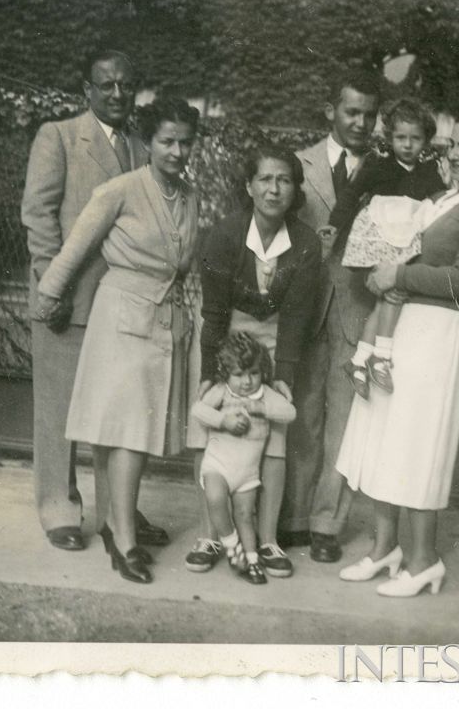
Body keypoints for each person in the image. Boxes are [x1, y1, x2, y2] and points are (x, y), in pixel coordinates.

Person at [335, 110, 459, 597]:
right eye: (451, 146)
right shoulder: (442, 197)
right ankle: (385, 548)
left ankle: (423, 560)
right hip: (404, 321)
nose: (452, 154)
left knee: (417, 443)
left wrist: (399, 276)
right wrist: (385, 272)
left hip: (437, 330)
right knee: (384, 433)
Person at [34, 97, 201, 584]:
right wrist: (48, 298)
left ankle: (115, 524)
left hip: (165, 321)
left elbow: (183, 262)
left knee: (130, 434)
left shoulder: (189, 196)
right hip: (122, 317)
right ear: (147, 142)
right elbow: (75, 248)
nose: (176, 151)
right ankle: (123, 541)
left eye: (185, 142)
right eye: (167, 141)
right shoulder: (119, 190)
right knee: (126, 432)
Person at [22, 50, 168, 552]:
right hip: (68, 298)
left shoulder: (138, 145)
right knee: (58, 411)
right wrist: (50, 287)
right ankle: (59, 509)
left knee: (114, 411)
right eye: (105, 85)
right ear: (87, 89)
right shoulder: (59, 136)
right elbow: (39, 215)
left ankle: (116, 514)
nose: (117, 94)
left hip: (121, 304)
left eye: (126, 86)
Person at [186, 145, 322, 578]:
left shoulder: (304, 242)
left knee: (274, 438)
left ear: (295, 188)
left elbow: (298, 315)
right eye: (265, 179)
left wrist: (282, 375)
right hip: (223, 337)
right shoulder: (224, 235)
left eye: (284, 179)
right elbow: (214, 312)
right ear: (249, 186)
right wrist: (210, 373)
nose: (274, 188)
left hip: (276, 334)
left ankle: (267, 542)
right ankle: (210, 535)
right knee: (211, 432)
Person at [281, 67, 381, 564]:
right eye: (351, 111)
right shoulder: (296, 165)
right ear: (331, 112)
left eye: (369, 114)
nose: (361, 123)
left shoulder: (388, 172)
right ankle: (294, 517)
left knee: (345, 422)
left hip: (357, 311)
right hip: (303, 310)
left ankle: (326, 524)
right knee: (302, 418)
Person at [330, 97, 446, 397]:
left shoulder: (429, 172)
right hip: (381, 234)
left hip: (406, 238)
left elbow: (440, 203)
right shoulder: (378, 166)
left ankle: (359, 360)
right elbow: (352, 192)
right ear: (390, 137)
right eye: (400, 138)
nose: (407, 145)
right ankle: (381, 355)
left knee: (388, 299)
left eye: (415, 139)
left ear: (426, 140)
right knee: (391, 295)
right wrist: (334, 223)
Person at [190, 332, 298, 585]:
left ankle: (251, 562)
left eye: (253, 373)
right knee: (215, 497)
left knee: (245, 515)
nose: (247, 381)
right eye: (238, 375)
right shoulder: (222, 392)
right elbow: (198, 409)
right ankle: (231, 544)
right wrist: (223, 421)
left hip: (247, 473)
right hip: (218, 464)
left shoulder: (264, 395)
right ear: (226, 374)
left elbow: (290, 412)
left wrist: (264, 409)